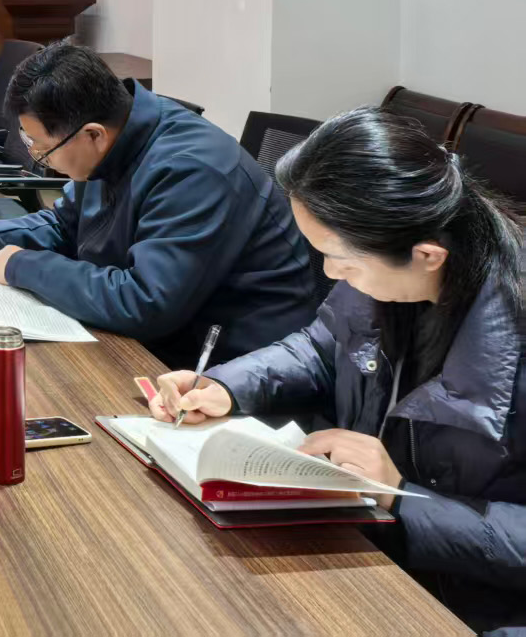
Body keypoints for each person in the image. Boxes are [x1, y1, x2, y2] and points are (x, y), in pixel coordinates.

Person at [153, 109, 526, 632]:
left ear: (427, 256)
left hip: (468, 606)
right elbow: (322, 346)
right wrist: (226, 386)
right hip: (366, 548)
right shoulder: (393, 266)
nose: (330, 274)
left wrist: (403, 496)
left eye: (342, 261)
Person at [0, 42, 314, 364]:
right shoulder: (117, 137)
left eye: (42, 150)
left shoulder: (192, 170)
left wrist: (22, 266)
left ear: (93, 135)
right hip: (163, 342)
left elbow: (146, 303)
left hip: (227, 366)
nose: (38, 158)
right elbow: (66, 225)